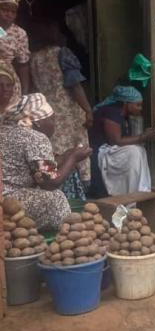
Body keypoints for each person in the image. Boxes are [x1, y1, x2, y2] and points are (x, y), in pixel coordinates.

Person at [0, 87, 92, 230]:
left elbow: (38, 166)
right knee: (56, 198)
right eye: (52, 119)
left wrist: (67, 155)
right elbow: (50, 182)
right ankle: (66, 232)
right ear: (37, 122)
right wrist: (73, 158)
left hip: (4, 195)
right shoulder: (35, 138)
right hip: (10, 200)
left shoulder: (5, 130)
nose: (54, 124)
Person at [29, 18, 93, 200]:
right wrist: (88, 109)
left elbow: (32, 88)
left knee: (54, 153)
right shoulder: (62, 53)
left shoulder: (33, 58)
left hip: (45, 114)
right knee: (76, 152)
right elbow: (75, 85)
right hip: (68, 113)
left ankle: (56, 192)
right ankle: (77, 196)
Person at [89, 85, 155, 197]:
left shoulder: (123, 115)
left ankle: (138, 191)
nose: (140, 108)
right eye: (137, 105)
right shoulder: (112, 112)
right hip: (100, 152)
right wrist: (143, 137)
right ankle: (130, 194)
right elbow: (116, 140)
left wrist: (143, 136)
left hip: (110, 150)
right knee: (134, 151)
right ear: (126, 103)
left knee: (138, 149)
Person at [0, 0, 31, 93]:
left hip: (7, 82)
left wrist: (25, 91)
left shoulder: (19, 33)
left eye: (13, 12)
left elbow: (23, 64)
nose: (9, 14)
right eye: (5, 10)